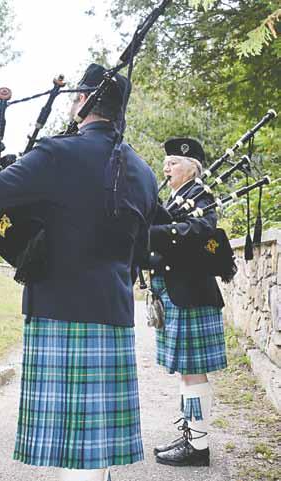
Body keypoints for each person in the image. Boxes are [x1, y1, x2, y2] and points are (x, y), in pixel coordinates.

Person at [0, 64, 158, 481]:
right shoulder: (144, 172)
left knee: (74, 446)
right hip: (114, 311)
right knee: (96, 441)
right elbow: (142, 252)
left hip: (59, 310)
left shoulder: (56, 153)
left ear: (83, 101)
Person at [147, 138, 226, 467]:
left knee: (193, 372)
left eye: (174, 162)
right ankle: (192, 434)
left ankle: (198, 446)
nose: (167, 167)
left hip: (191, 294)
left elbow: (202, 229)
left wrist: (158, 231)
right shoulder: (175, 197)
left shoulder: (201, 194)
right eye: (166, 162)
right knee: (187, 373)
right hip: (178, 292)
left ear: (192, 168)